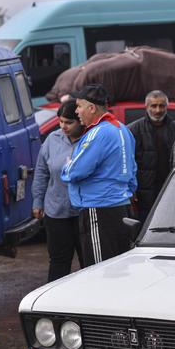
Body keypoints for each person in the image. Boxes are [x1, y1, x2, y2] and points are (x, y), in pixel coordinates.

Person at [61, 84, 137, 267]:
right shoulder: (122, 128)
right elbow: (133, 170)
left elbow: (74, 171)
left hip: (99, 208)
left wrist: (67, 165)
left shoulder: (98, 132)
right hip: (121, 206)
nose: (77, 112)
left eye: (79, 106)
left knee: (98, 268)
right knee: (120, 266)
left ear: (91, 108)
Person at [32, 100, 85, 282]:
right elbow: (41, 172)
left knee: (89, 262)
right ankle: (54, 306)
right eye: (61, 121)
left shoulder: (91, 140)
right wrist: (37, 201)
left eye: (69, 122)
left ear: (81, 121)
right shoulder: (52, 140)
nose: (63, 126)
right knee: (59, 261)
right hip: (56, 211)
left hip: (83, 211)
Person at [128, 90, 175, 222]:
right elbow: (128, 161)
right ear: (146, 107)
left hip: (169, 189)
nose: (157, 110)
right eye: (153, 106)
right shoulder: (134, 129)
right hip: (143, 194)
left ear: (167, 107)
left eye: (161, 106)